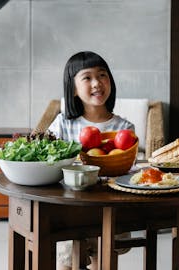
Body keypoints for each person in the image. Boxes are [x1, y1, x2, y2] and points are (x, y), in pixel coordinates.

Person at [48, 51, 134, 270]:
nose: (97, 83)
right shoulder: (63, 125)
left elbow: (127, 170)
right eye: (87, 77)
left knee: (105, 258)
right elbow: (50, 162)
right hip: (70, 209)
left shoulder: (124, 128)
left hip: (109, 208)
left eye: (102, 75)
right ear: (73, 89)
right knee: (67, 262)